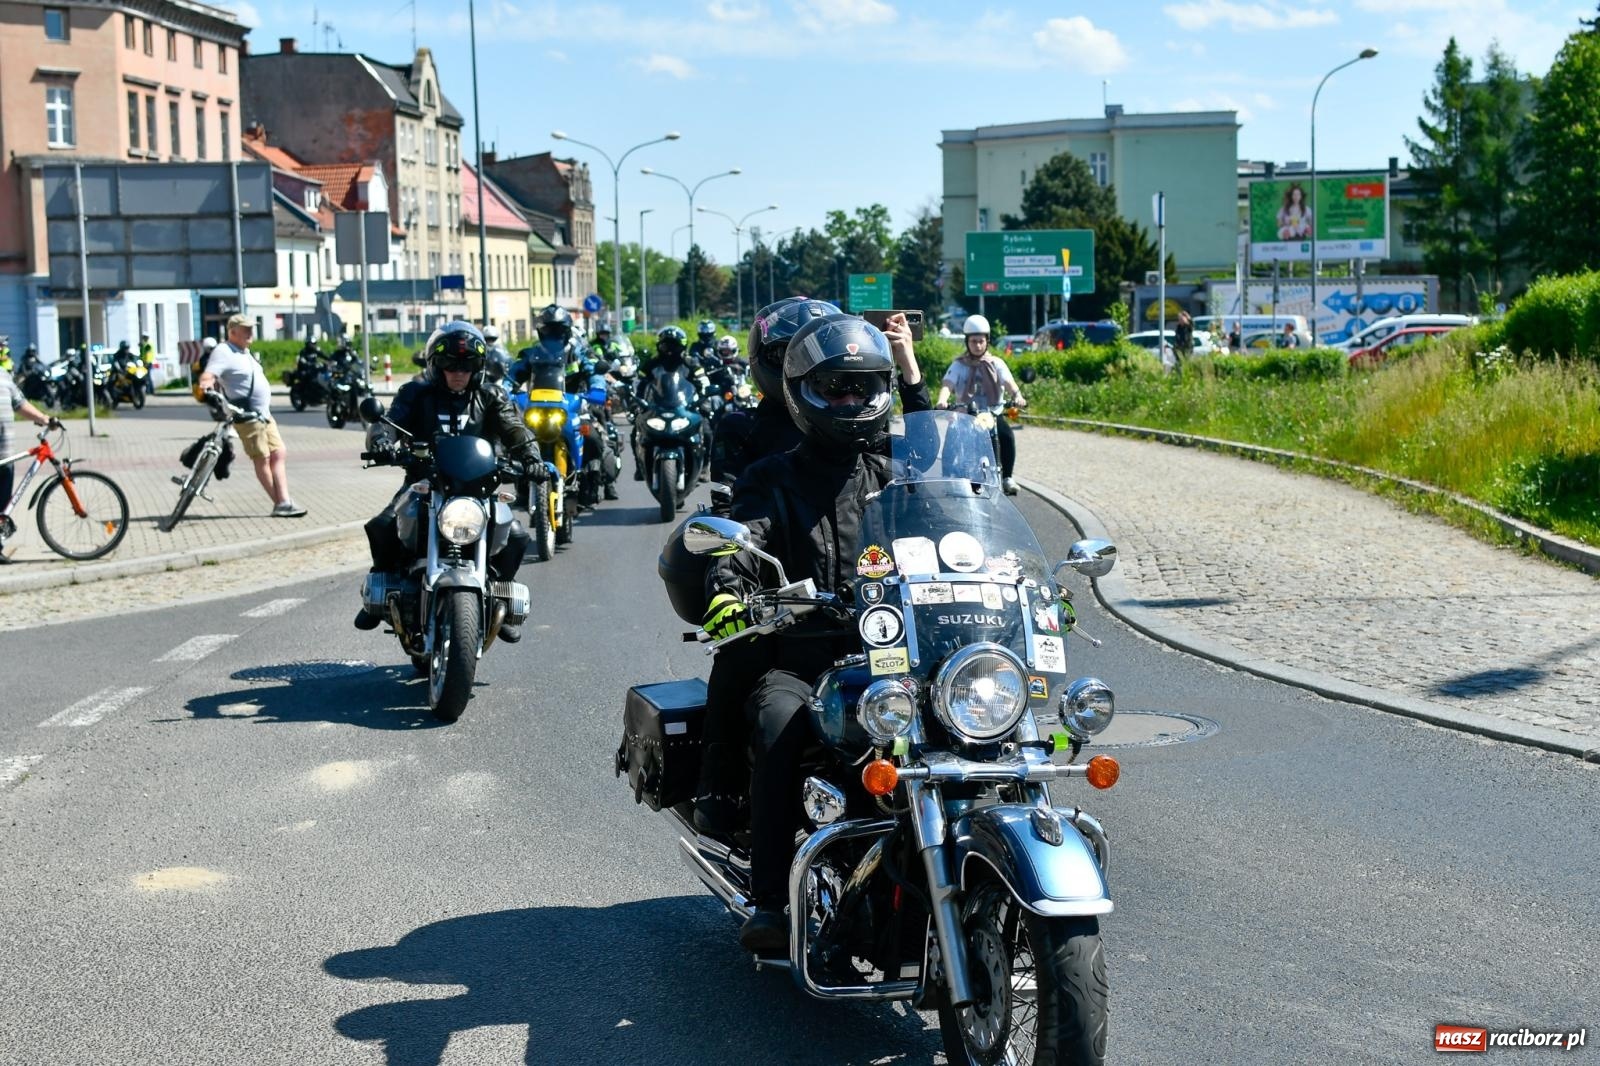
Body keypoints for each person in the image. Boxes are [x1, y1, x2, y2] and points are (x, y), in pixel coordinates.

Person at [698, 313, 924, 954]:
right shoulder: (774, 477)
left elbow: (956, 518)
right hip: (807, 657)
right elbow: (746, 537)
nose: (851, 401)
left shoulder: (895, 475)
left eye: (861, 387)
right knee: (777, 722)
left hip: (898, 659)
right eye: (836, 388)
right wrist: (732, 583)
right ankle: (769, 897)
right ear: (805, 392)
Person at [357, 321, 541, 639]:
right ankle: (381, 591)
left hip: (479, 487)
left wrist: (533, 459)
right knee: (383, 524)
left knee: (516, 535)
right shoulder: (416, 393)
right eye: (450, 364)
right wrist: (382, 441)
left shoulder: (492, 395)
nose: (458, 372)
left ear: (478, 367)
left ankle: (500, 598)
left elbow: (516, 430)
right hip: (425, 482)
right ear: (435, 365)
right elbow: (389, 422)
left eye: (467, 365)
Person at [197, 314, 306, 518]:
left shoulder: (244, 351)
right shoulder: (224, 351)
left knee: (278, 453)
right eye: (245, 329)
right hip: (246, 414)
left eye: (251, 329)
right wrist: (206, 383)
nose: (250, 333)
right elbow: (209, 374)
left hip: (263, 414)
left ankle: (283, 500)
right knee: (262, 458)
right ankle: (281, 502)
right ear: (232, 332)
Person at [934, 313, 1027, 495]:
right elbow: (948, 384)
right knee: (951, 438)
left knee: (1007, 436)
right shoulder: (959, 364)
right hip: (965, 415)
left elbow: (1009, 383)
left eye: (981, 341)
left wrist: (1018, 396)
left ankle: (1007, 477)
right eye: (974, 341)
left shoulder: (996, 363)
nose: (977, 345)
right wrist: (942, 400)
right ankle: (947, 478)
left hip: (991, 414)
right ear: (967, 342)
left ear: (987, 342)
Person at [1, 364, 62, 558]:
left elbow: (20, 404)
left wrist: (45, 419)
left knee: (2, 506)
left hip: (6, 455)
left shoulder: (3, 375)